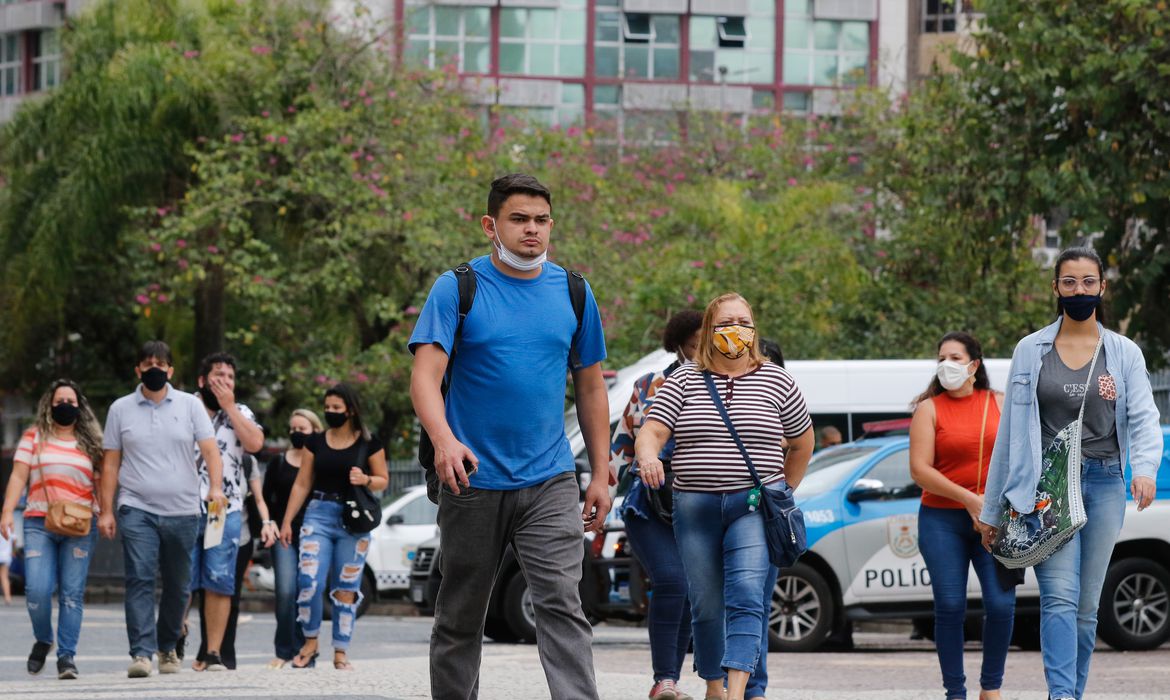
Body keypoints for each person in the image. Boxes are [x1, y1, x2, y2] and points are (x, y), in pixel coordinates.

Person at [409, 173, 611, 700]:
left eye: (542, 220)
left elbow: (591, 388)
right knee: (460, 614)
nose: (532, 231)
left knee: (563, 605)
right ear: (490, 225)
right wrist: (444, 441)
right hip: (471, 478)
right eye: (519, 219)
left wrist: (602, 472)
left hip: (549, 477)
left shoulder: (573, 291)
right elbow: (425, 377)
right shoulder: (458, 287)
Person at [977, 248, 1162, 700]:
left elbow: (1142, 417)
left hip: (1103, 482)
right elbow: (1010, 436)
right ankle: (1061, 695)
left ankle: (1070, 695)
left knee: (1085, 606)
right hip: (1046, 489)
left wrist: (1145, 470)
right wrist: (991, 508)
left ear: (1103, 287)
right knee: (1058, 597)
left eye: (1087, 281)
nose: (1079, 290)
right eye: (1069, 282)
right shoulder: (1030, 350)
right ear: (1056, 288)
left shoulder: (1124, 352)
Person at [635, 293, 814, 700]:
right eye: (725, 322)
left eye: (743, 322)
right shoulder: (683, 379)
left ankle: (736, 692)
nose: (736, 330)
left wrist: (783, 491)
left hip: (752, 506)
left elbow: (803, 443)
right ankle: (714, 686)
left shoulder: (777, 380)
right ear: (708, 332)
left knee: (749, 594)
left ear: (754, 330)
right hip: (695, 508)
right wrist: (648, 458)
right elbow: (652, 432)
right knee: (706, 604)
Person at [98, 340, 226, 678]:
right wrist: (106, 510)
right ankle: (141, 653)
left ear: (170, 370)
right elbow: (110, 464)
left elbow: (211, 453)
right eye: (147, 363)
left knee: (178, 585)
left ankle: (167, 645)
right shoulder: (120, 409)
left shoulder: (189, 406)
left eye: (160, 363)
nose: (154, 368)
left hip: (183, 510)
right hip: (136, 506)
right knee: (139, 578)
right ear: (137, 369)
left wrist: (214, 487)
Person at [909, 332, 1014, 700]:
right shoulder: (929, 408)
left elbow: (1021, 457)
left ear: (974, 365)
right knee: (950, 605)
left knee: (1001, 604)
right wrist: (970, 500)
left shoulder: (1000, 402)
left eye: (955, 357)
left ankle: (991, 686)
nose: (946, 365)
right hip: (941, 521)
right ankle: (955, 691)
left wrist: (994, 504)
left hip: (995, 521)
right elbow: (920, 471)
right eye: (941, 357)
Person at [610, 310, 702, 700]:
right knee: (672, 580)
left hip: (700, 504)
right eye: (695, 344)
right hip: (650, 505)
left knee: (689, 589)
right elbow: (622, 445)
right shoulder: (649, 384)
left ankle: (672, 678)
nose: (703, 352)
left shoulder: (733, 384)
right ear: (679, 345)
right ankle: (664, 679)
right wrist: (602, 490)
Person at [278, 383, 389, 671]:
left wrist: (365, 479)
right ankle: (310, 640)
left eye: (336, 408)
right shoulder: (314, 442)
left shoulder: (369, 442)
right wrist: (288, 521)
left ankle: (341, 650)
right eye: (327, 408)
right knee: (309, 581)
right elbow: (302, 482)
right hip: (318, 515)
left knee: (346, 588)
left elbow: (383, 480)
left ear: (350, 410)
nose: (330, 412)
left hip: (353, 521)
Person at [0, 379, 104, 679]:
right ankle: (44, 638)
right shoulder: (33, 437)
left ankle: (66, 657)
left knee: (72, 594)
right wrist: (7, 512)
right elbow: (19, 477)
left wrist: (107, 511)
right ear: (49, 404)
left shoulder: (92, 443)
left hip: (82, 523)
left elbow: (103, 482)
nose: (65, 406)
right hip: (38, 522)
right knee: (37, 590)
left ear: (80, 406)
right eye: (60, 401)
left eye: (71, 401)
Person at [186, 352, 265, 671]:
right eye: (219, 375)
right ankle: (175, 639)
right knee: (183, 579)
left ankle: (214, 652)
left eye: (231, 377)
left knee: (219, 580)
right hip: (184, 505)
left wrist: (230, 406)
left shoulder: (241, 411)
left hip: (225, 507)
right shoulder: (184, 407)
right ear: (202, 380)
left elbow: (256, 443)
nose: (226, 382)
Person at [263, 409, 320, 669]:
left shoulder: (321, 462)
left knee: (307, 590)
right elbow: (264, 498)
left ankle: (306, 650)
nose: (296, 433)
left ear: (315, 432)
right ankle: (284, 650)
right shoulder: (278, 463)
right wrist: (270, 525)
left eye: (302, 429)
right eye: (293, 429)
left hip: (313, 534)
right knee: (286, 591)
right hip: (283, 535)